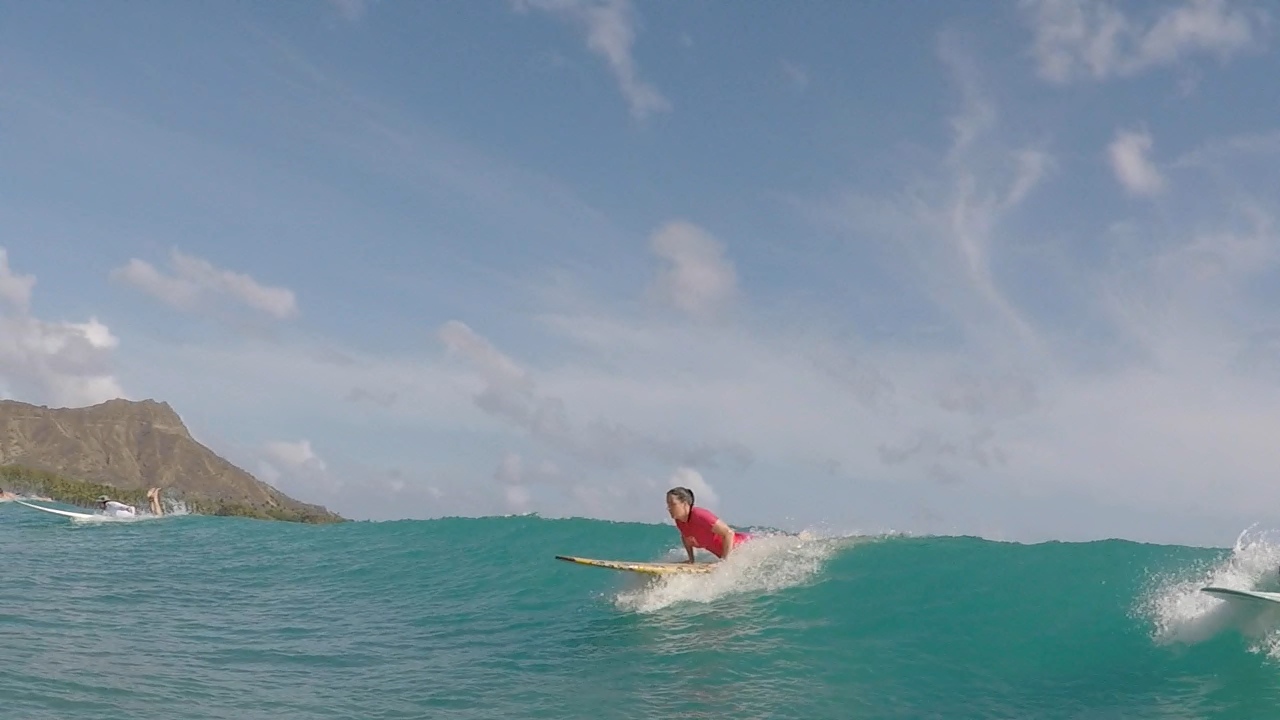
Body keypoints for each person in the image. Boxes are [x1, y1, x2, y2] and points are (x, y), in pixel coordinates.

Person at [665, 486, 750, 563]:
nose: (669, 508)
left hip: (744, 548)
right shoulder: (680, 520)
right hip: (732, 557)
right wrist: (691, 560)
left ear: (685, 504)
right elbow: (685, 537)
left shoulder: (699, 515)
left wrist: (724, 562)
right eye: (668, 504)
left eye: (672, 504)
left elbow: (729, 533)